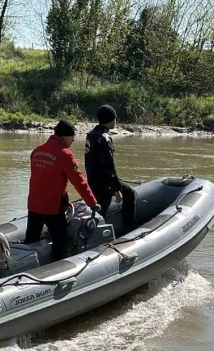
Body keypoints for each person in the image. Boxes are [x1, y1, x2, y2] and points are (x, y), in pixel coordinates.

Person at [26, 119, 100, 261]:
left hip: (34, 206)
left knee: (31, 242)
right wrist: (92, 203)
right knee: (60, 242)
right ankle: (58, 271)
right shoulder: (65, 155)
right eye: (73, 137)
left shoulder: (37, 151)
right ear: (66, 136)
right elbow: (79, 182)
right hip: (53, 208)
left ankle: (27, 269)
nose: (73, 141)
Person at [85, 104, 136, 227]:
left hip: (92, 180)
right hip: (105, 185)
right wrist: (116, 189)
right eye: (115, 118)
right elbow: (109, 166)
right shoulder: (105, 138)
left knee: (101, 209)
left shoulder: (91, 135)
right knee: (129, 194)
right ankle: (129, 228)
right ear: (111, 120)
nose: (116, 121)